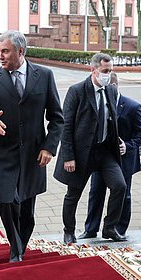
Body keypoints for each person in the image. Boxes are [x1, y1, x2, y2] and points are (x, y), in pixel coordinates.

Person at [0, 30, 63, 262]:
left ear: (20, 51)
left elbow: (57, 117)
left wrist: (49, 147)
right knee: (6, 201)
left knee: (26, 210)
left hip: (33, 154)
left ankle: (19, 247)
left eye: (5, 51)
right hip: (1, 152)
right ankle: (15, 249)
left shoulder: (45, 75)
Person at [54, 53, 127, 244]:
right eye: (105, 71)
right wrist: (68, 156)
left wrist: (118, 141)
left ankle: (109, 228)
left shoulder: (110, 90)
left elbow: (111, 119)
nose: (108, 75)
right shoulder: (76, 91)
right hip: (81, 154)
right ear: (93, 70)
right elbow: (66, 125)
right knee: (73, 195)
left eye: (111, 71)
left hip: (105, 152)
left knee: (120, 186)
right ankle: (68, 231)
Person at [79, 72, 141, 240]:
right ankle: (90, 229)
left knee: (123, 194)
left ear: (114, 86)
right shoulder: (99, 103)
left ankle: (118, 228)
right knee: (96, 192)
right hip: (101, 157)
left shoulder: (132, 106)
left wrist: (128, 145)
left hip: (124, 160)